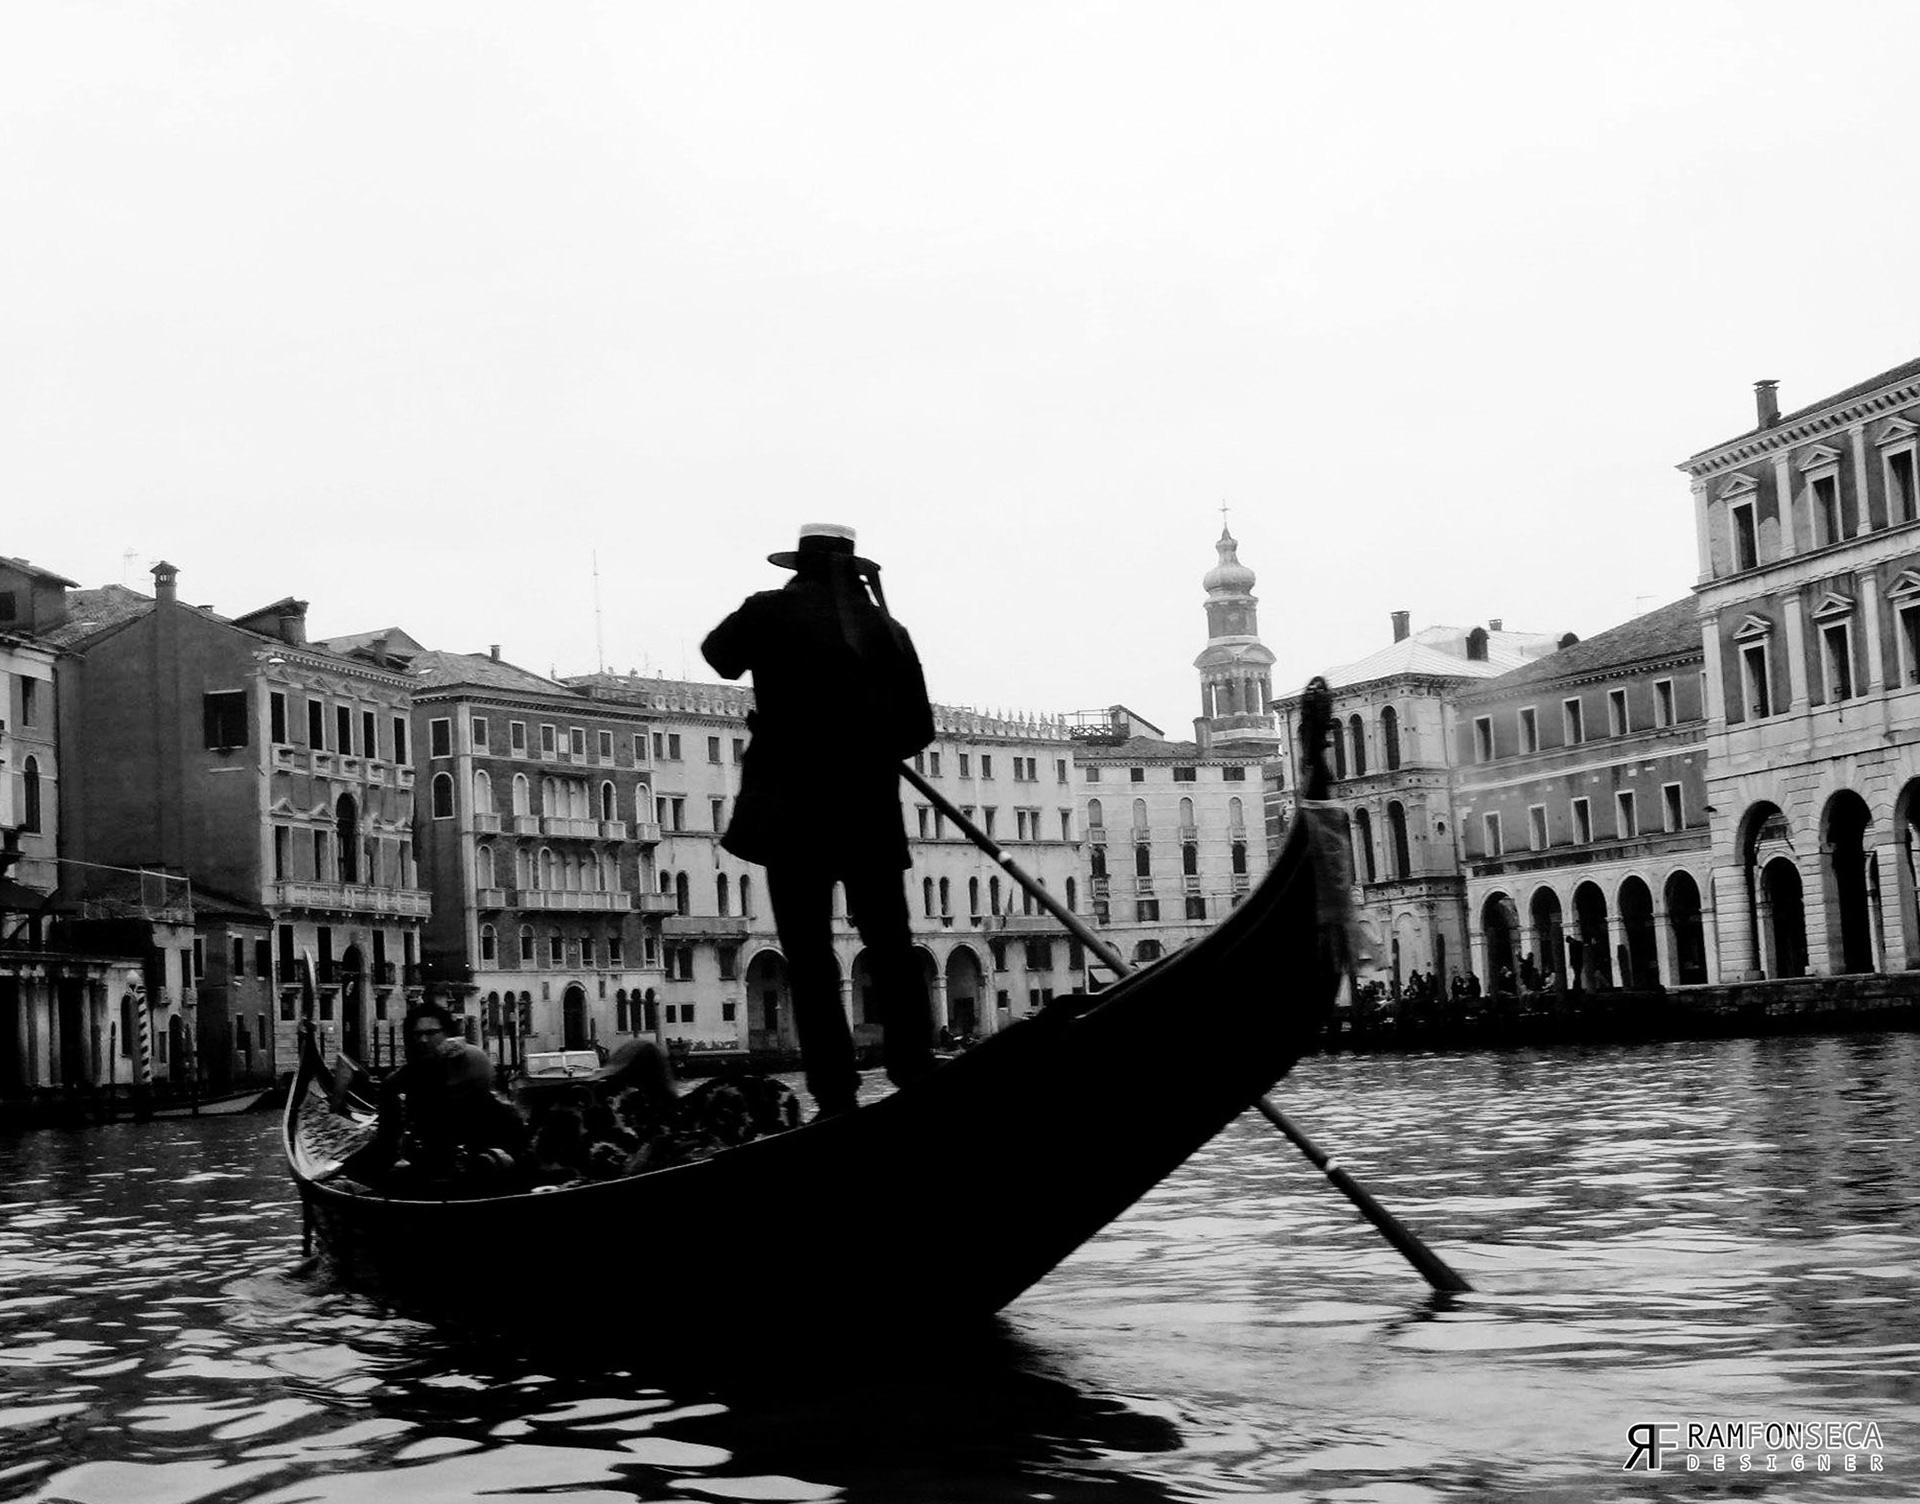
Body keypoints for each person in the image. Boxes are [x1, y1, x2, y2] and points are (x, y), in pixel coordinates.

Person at [702, 522, 937, 1118]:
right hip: (868, 811)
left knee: (807, 956)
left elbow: (719, 656)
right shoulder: (888, 629)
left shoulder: (769, 612)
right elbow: (919, 731)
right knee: (891, 946)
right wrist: (863, 735)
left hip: (791, 812)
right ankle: (915, 1071)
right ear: (855, 568)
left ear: (797, 565)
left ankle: (834, 1095)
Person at [368, 1002, 529, 1192]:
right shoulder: (395, 1084)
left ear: (447, 1034)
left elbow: (498, 1120)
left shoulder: (470, 1068)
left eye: (431, 1033)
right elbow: (387, 1140)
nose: (424, 1040)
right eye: (417, 1034)